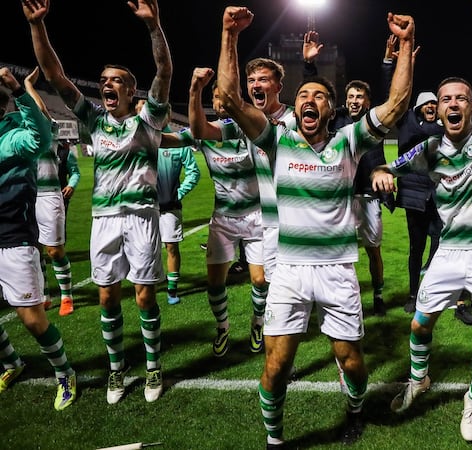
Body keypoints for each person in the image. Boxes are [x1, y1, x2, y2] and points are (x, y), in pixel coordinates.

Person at [215, 6, 414, 447]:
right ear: (296, 105)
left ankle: (355, 409)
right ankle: (275, 440)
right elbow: (229, 99)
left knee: (353, 363)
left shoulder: (349, 140)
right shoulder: (277, 138)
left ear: (331, 107)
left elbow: (397, 104)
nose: (309, 100)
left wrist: (403, 45)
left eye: (319, 96)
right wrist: (229, 34)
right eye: (303, 95)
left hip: (338, 269)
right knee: (276, 366)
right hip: (288, 269)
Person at [372, 0, 472, 442]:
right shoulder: (431, 149)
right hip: (449, 253)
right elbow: (392, 169)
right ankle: (420, 379)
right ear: (440, 107)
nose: (453, 104)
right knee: (419, 324)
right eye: (446, 99)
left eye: (460, 99)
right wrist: (380, 172)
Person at [23, 0, 172, 404]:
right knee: (107, 296)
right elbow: (54, 75)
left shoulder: (149, 121)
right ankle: (117, 370)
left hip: (141, 217)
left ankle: (154, 366)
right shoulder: (92, 122)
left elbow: (164, 72)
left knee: (144, 295)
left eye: (117, 80)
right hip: (105, 220)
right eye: (104, 79)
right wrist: (38, 27)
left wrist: (154, 27)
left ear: (130, 89)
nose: (107, 84)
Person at [387, 35, 472, 325]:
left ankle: (456, 299)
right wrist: (398, 66)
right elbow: (394, 99)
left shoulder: (443, 128)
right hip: (413, 196)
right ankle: (413, 294)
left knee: (444, 246)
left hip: (440, 194)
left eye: (438, 104)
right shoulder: (407, 122)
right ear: (419, 107)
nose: (434, 107)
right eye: (429, 104)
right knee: (415, 248)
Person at [167, 72, 268, 358]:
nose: (222, 103)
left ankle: (257, 323)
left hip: (255, 214)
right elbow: (171, 139)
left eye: (227, 97)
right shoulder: (206, 133)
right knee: (214, 282)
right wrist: (140, 133)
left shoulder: (251, 129)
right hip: (223, 219)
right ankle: (223, 327)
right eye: (217, 98)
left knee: (260, 281)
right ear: (213, 102)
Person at [302, 31, 395, 317]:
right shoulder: (337, 118)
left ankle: (378, 295)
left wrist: (388, 62)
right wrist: (309, 66)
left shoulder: (372, 121)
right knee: (338, 253)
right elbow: (316, 97)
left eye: (360, 97)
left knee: (372, 250)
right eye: (351, 96)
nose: (354, 101)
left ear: (368, 102)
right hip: (340, 196)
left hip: (368, 196)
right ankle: (340, 297)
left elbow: (391, 94)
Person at [0, 66, 77, 410]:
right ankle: (12, 363)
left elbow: (42, 138)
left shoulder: (13, 135)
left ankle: (65, 373)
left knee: (32, 319)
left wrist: (20, 90)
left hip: (12, 236)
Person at [137, 100, 201, 306]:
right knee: (147, 248)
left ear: (169, 117)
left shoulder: (177, 142)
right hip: (144, 207)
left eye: (163, 113)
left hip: (170, 207)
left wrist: (178, 193)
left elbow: (193, 172)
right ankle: (149, 286)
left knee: (171, 247)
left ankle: (172, 289)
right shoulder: (140, 140)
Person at [23, 67, 75, 316]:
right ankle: (44, 294)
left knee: (55, 249)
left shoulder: (47, 131)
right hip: (27, 196)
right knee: (35, 250)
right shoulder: (19, 134)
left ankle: (67, 295)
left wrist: (27, 86)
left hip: (49, 195)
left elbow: (40, 111)